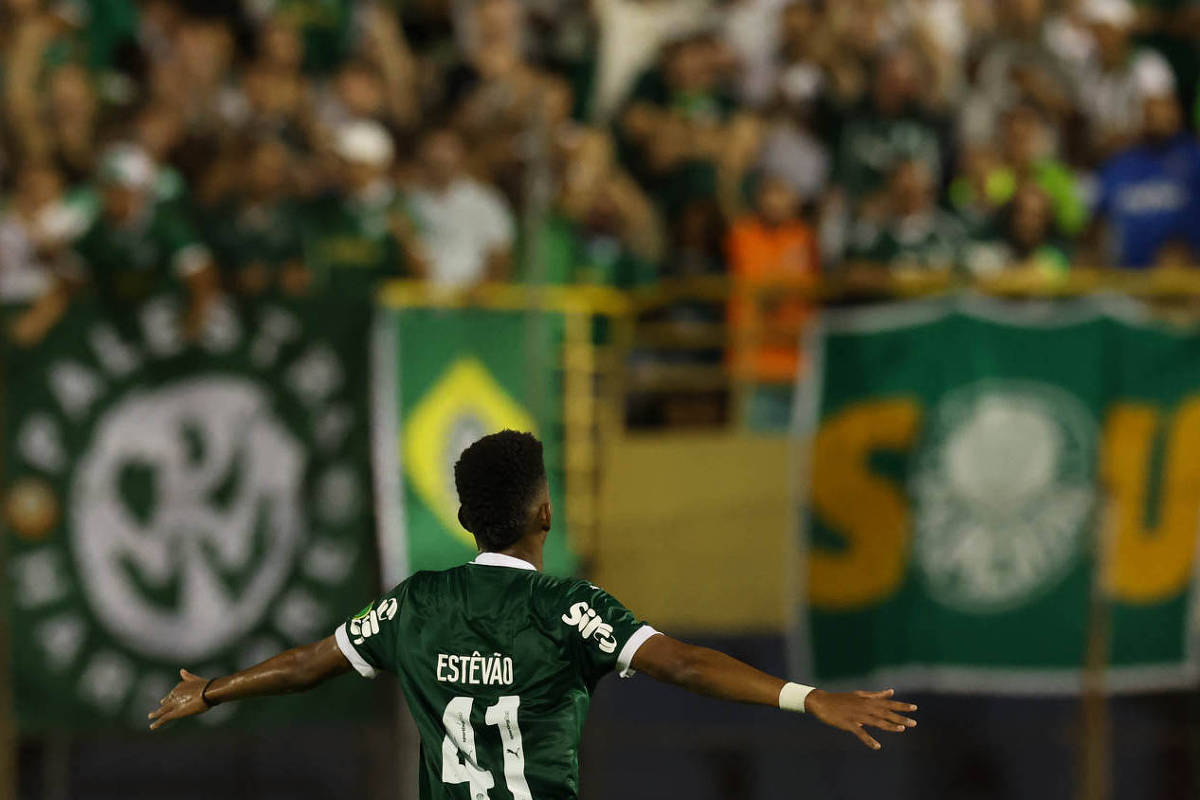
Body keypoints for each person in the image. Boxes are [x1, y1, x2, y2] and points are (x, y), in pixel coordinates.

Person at [149, 430, 919, 798]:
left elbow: (307, 666)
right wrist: (806, 696)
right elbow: (684, 663)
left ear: (466, 518)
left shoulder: (416, 603)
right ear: (544, 512)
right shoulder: (567, 609)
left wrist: (214, 688)